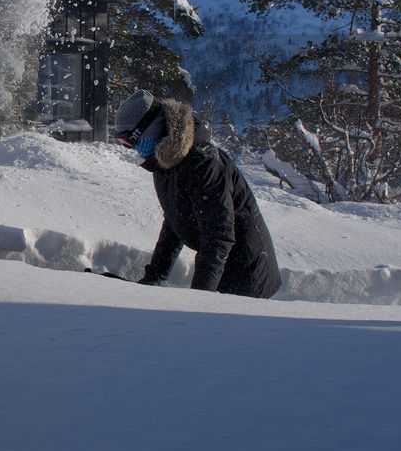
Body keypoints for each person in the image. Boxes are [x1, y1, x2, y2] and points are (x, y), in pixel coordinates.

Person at [113, 89, 281, 298]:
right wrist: (153, 278)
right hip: (221, 267)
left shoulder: (204, 163)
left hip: (247, 274)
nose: (131, 149)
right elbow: (175, 222)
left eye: (128, 141)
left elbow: (218, 238)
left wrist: (199, 301)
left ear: (148, 130)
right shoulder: (165, 159)